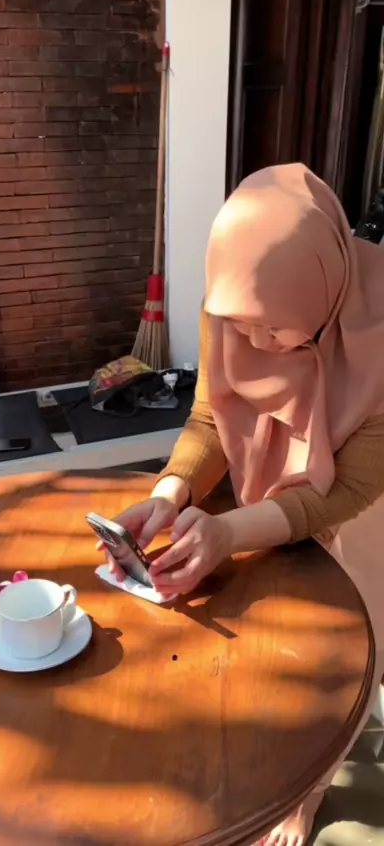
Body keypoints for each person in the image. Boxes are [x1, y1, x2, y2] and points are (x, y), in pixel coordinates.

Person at [103, 163, 384, 846]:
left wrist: (230, 532)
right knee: (272, 649)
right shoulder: (229, 305)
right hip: (263, 497)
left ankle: (308, 791)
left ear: (325, 289)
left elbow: (350, 489)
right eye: (242, 325)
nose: (256, 345)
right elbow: (210, 419)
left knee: (344, 659)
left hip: (364, 514)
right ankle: (282, 769)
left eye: (278, 330)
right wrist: (169, 493)